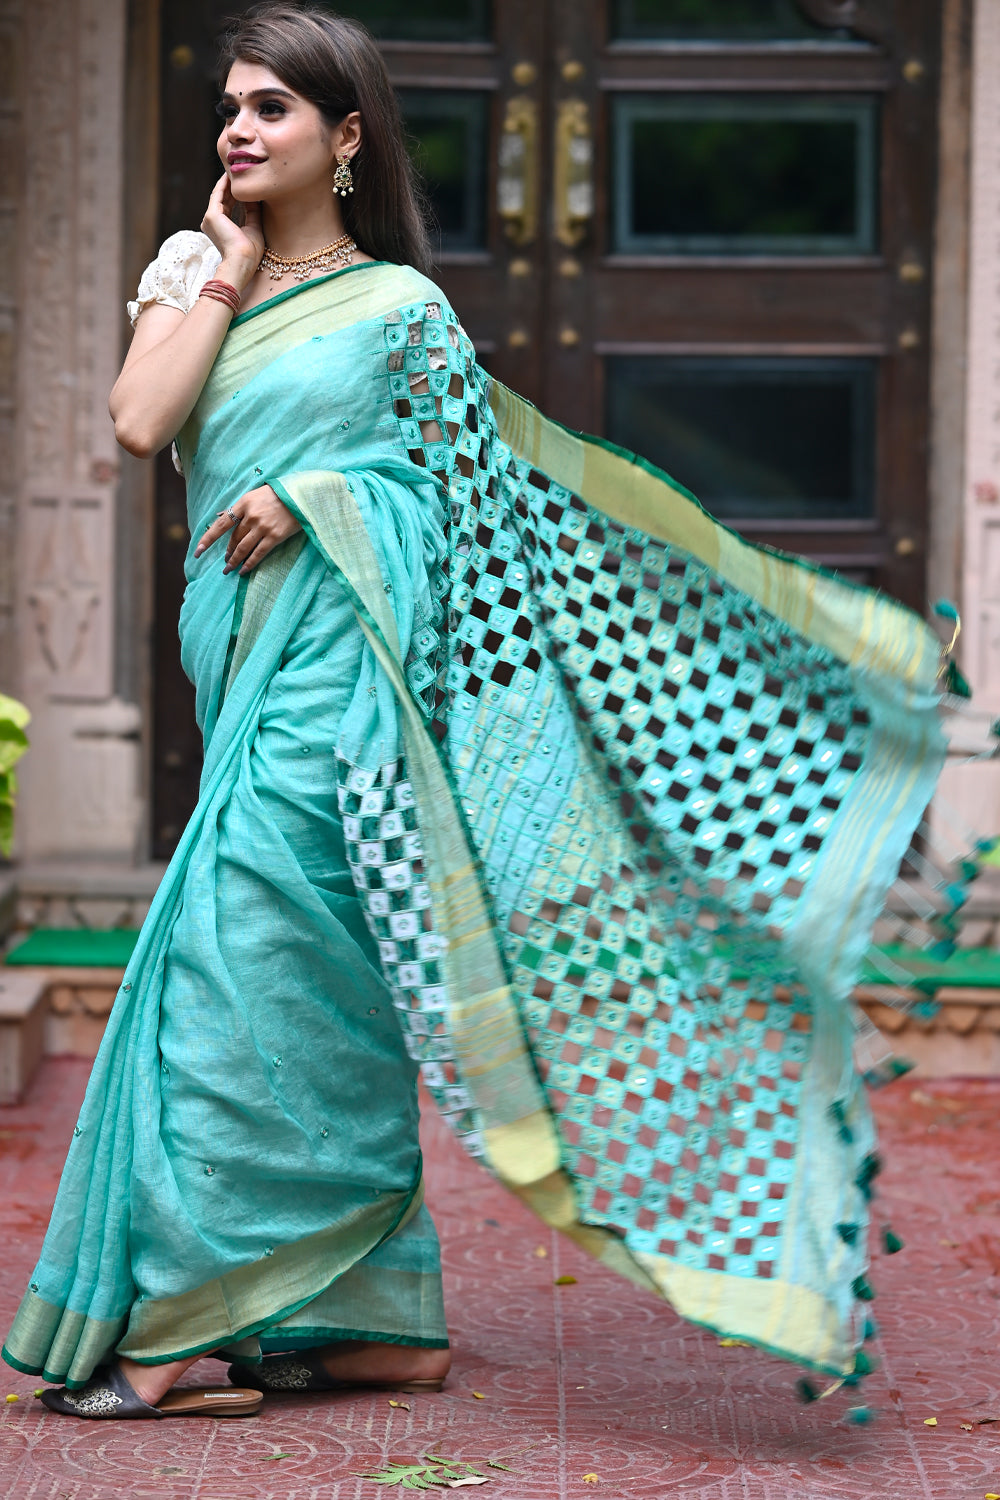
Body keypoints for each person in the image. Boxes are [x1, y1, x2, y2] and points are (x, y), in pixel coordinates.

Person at [3, 1, 949, 1420]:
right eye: (234, 105)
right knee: (311, 996)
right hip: (242, 667)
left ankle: (191, 1317)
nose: (241, 129)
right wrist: (221, 277)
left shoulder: (402, 314)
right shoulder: (196, 268)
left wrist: (322, 499)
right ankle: (375, 1317)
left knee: (224, 969)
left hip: (343, 690)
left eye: (274, 109)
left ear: (346, 137)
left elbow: (469, 520)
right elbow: (140, 424)